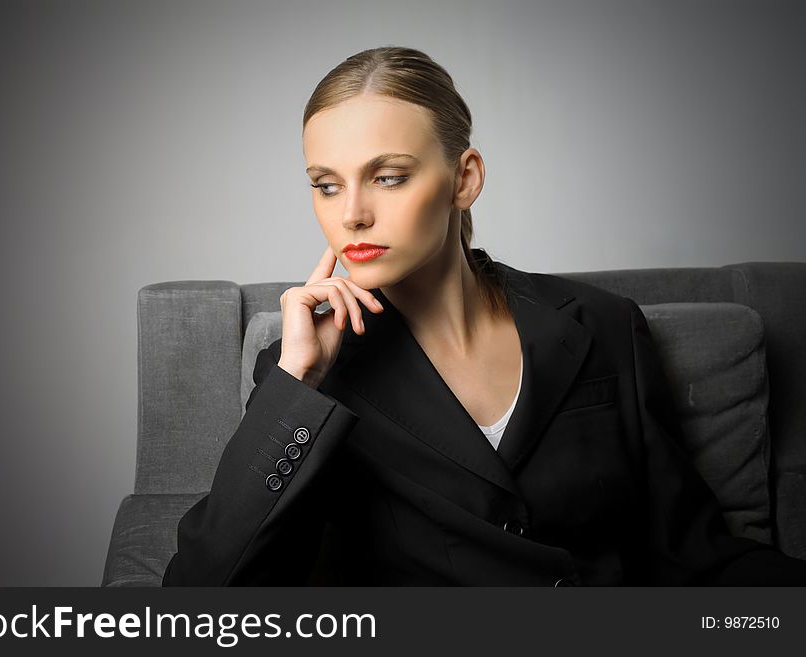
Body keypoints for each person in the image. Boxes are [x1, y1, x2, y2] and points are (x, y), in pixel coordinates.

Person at [163, 46, 806, 586]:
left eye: (387, 177)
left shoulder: (602, 324)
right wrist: (297, 385)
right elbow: (204, 593)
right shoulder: (303, 376)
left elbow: (691, 551)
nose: (351, 212)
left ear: (464, 178)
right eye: (327, 185)